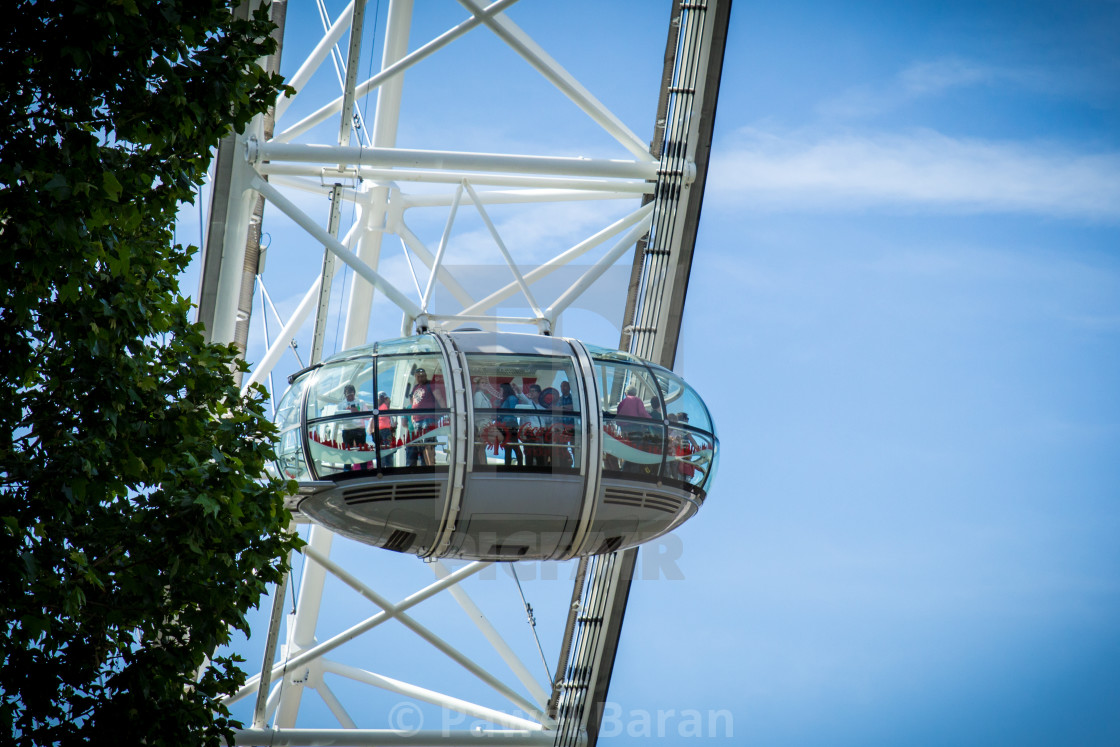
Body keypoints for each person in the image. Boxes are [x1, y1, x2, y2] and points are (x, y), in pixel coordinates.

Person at [406, 367, 444, 467]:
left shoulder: (430, 385)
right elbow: (413, 401)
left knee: (429, 444)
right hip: (417, 420)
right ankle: (426, 465)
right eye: (418, 376)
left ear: (426, 376)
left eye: (422, 376)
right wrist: (413, 417)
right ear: (415, 377)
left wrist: (446, 412)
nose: (420, 378)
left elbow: (439, 398)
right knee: (422, 446)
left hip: (428, 418)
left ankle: (430, 465)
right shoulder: (415, 387)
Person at [497, 382, 522, 467]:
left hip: (510, 426)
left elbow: (512, 412)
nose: (500, 391)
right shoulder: (506, 399)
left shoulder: (511, 398)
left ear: (505, 390)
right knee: (507, 447)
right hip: (505, 426)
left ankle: (520, 465)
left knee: (514, 446)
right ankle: (507, 466)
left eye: (501, 389)